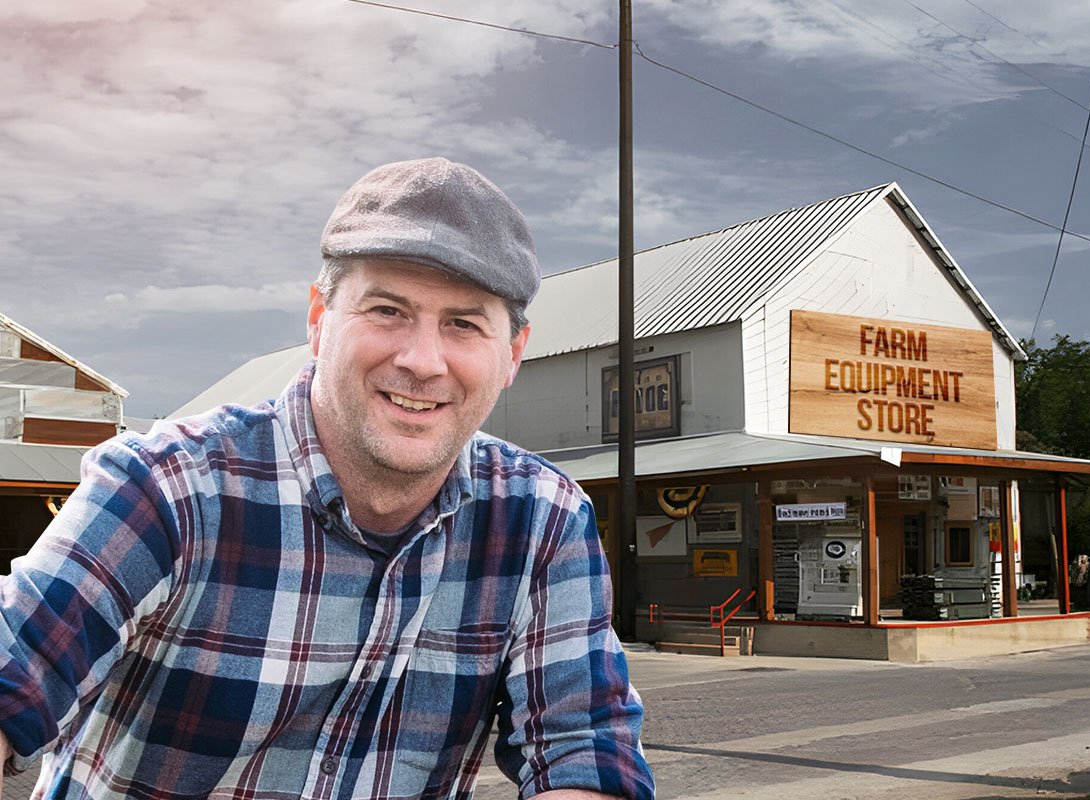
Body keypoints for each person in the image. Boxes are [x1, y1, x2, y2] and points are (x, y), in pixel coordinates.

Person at [0, 158, 655, 799]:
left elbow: (584, 745)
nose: (423, 361)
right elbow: (16, 662)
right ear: (318, 319)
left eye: (463, 323)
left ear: (512, 353)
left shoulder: (541, 519)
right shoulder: (167, 486)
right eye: (387, 310)